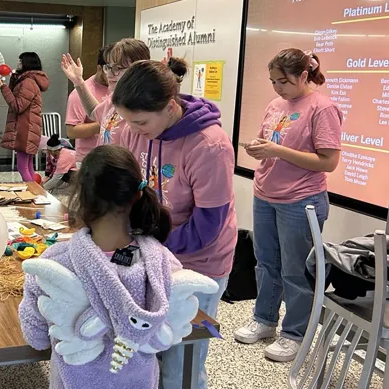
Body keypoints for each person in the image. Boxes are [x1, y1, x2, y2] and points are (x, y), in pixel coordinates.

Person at [110, 59, 237, 389]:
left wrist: (150, 246)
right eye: (126, 120)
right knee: (147, 348)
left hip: (201, 266)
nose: (131, 129)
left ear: (169, 107)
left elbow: (207, 228)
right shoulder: (130, 131)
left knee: (184, 360)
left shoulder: (210, 145)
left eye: (139, 121)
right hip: (150, 253)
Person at [20, 145, 183, 388]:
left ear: (81, 197)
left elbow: (36, 337)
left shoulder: (55, 264)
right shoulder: (163, 264)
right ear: (137, 195)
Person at [235, 48, 341, 362]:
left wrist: (277, 152)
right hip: (266, 194)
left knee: (297, 270)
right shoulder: (275, 104)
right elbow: (268, 142)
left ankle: (295, 334)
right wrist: (258, 149)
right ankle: (265, 319)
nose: (278, 87)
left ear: (304, 75)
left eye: (283, 81)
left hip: (301, 199)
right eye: (273, 82)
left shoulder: (323, 107)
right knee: (266, 262)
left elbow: (328, 161)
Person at [61, 39, 149, 148]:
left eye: (117, 68)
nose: (110, 74)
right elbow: (94, 112)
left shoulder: (146, 108)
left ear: (138, 69)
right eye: (108, 67)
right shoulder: (115, 98)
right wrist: (79, 82)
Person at [0, 52, 49, 182]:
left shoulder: (28, 82)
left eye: (20, 61)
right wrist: (14, 78)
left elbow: (18, 106)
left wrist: (3, 88)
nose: (17, 63)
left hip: (24, 129)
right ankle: (37, 194)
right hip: (29, 128)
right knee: (28, 166)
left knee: (22, 167)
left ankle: (33, 194)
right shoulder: (29, 80)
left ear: (27, 63)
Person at [65, 45, 109, 168]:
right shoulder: (81, 92)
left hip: (113, 158)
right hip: (89, 160)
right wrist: (108, 123)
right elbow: (72, 131)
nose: (113, 75)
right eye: (109, 69)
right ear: (100, 68)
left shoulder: (118, 89)